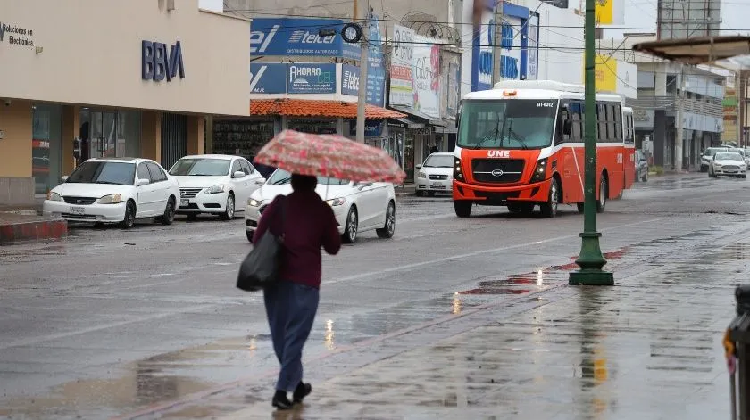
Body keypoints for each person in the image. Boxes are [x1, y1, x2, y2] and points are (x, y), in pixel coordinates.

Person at [253, 174, 341, 409]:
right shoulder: (321, 209)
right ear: (314, 183)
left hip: (274, 280)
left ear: (292, 183)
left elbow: (258, 237)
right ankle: (281, 391)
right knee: (294, 337)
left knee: (281, 336)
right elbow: (333, 247)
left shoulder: (279, 204)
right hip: (305, 282)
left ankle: (297, 384)